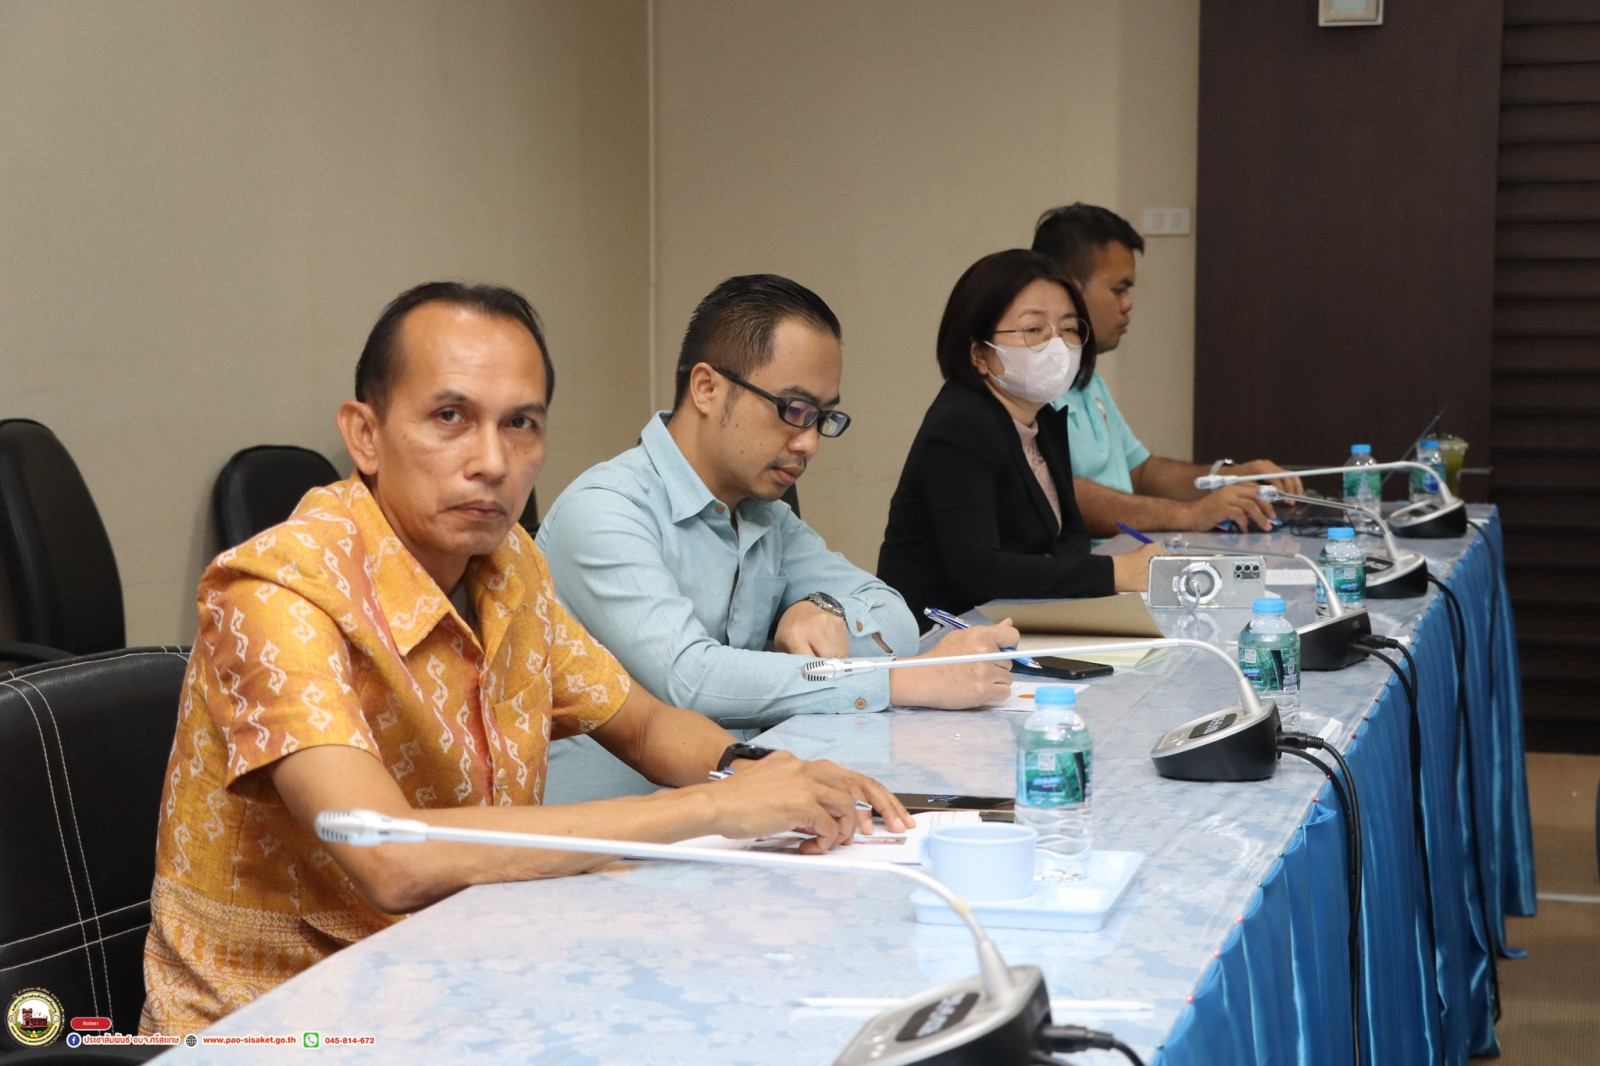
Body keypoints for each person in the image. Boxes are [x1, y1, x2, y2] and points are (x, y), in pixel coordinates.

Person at [140, 282, 911, 1035]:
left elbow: (643, 726)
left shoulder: (509, 566)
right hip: (280, 1022)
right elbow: (387, 855)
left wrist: (762, 773)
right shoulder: (277, 592)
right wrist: (714, 809)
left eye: (521, 425)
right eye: (450, 417)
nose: (492, 460)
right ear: (365, 435)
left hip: (458, 975)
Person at [535, 274, 1018, 796]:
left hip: (740, 804)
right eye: (793, 410)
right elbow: (690, 679)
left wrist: (818, 608)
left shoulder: (764, 515)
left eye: (822, 418)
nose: (809, 443)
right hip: (613, 830)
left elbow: (894, 617)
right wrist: (898, 679)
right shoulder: (605, 510)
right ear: (707, 388)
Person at [877, 250, 1162, 626]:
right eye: (1034, 330)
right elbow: (978, 571)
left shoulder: (1042, 419)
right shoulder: (959, 426)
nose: (1057, 345)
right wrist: (1115, 572)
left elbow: (1070, 540)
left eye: (1068, 328)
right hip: (939, 637)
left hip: (1016, 623)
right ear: (980, 353)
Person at [1031, 203, 1303, 536]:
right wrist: (1189, 515)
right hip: (1093, 564)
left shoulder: (1089, 380)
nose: (1128, 303)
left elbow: (1141, 472)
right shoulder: (1030, 386)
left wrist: (1230, 478)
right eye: (1118, 289)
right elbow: (1058, 492)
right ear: (1069, 290)